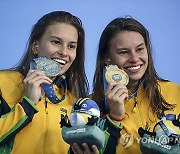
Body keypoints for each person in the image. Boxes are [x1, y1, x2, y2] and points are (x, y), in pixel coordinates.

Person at [0, 10, 93, 154]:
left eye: (71, 46)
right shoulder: (3, 82)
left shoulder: (75, 102)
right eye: (56, 42)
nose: (64, 52)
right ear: (35, 46)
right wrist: (27, 105)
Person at [92, 16, 180, 153]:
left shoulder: (176, 92)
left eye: (140, 49)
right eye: (124, 52)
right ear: (106, 58)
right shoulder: (90, 107)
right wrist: (114, 117)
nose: (134, 59)